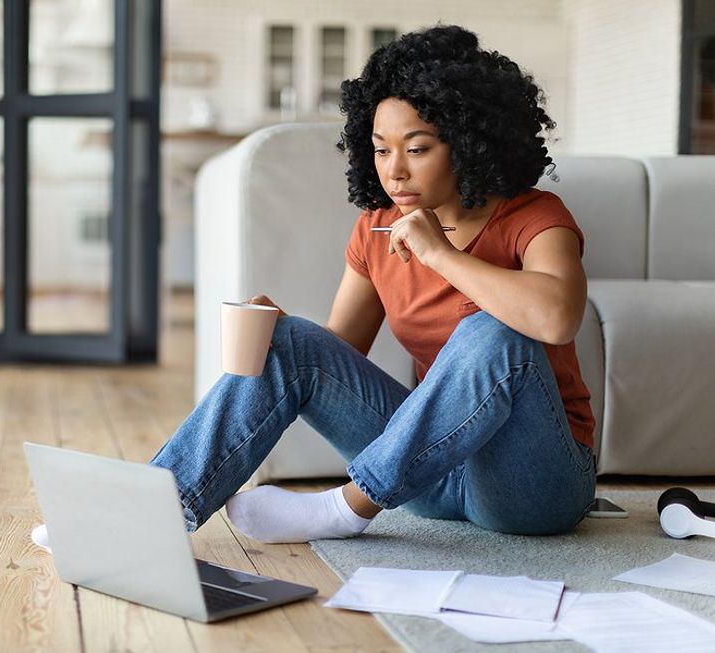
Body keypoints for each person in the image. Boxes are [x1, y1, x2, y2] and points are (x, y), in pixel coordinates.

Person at [150, 24, 596, 544]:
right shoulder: (376, 227)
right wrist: (282, 338)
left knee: (495, 332)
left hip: (532, 487)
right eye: (382, 150)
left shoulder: (534, 215)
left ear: (471, 142)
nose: (395, 172)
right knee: (292, 341)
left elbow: (557, 317)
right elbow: (334, 362)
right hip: (430, 473)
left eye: (418, 148)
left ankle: (345, 509)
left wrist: (439, 254)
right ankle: (154, 509)